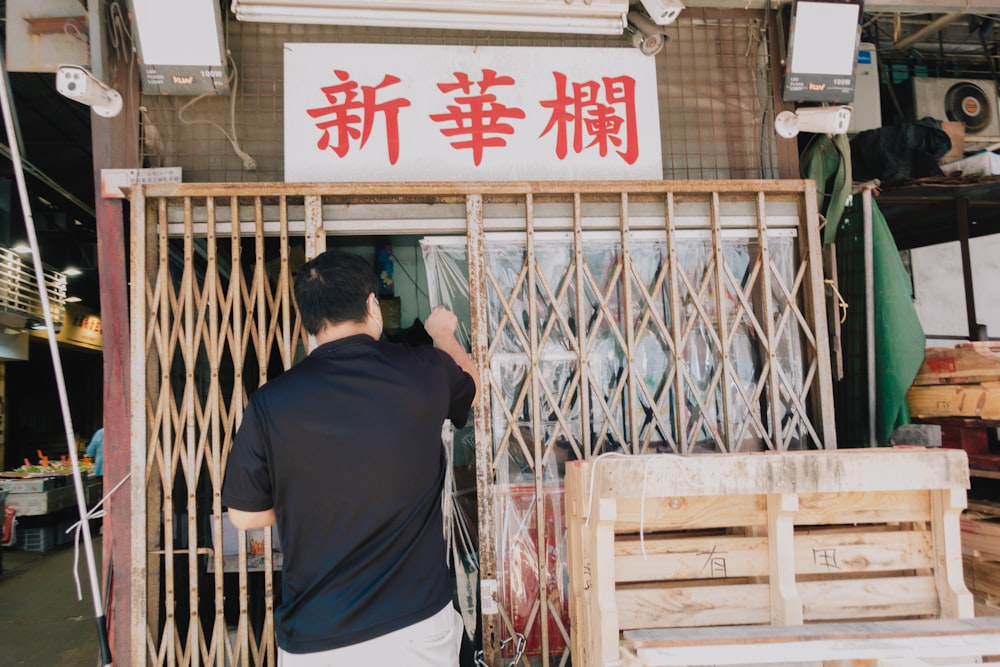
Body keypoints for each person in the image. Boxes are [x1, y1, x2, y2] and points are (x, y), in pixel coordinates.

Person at [222, 249, 479, 667]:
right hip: (416, 631)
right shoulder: (425, 369)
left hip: (317, 639)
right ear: (372, 305)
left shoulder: (271, 402)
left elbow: (245, 516)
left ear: (309, 322)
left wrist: (312, 500)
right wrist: (442, 333)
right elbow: (472, 386)